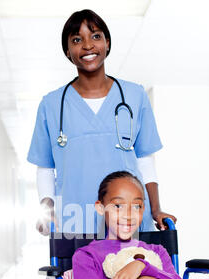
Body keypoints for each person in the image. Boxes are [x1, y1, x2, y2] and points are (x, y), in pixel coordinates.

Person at [27, 9, 176, 234]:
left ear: (107, 42)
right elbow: (46, 168)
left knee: (133, 268)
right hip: (76, 219)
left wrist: (156, 210)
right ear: (68, 51)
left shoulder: (135, 96)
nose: (88, 45)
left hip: (128, 220)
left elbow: (145, 160)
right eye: (77, 40)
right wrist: (46, 212)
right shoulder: (51, 104)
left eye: (95, 36)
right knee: (80, 268)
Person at [72, 171, 189, 279]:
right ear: (101, 208)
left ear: (143, 209)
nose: (128, 215)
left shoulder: (157, 251)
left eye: (136, 206)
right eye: (118, 206)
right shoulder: (86, 255)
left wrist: (142, 267)